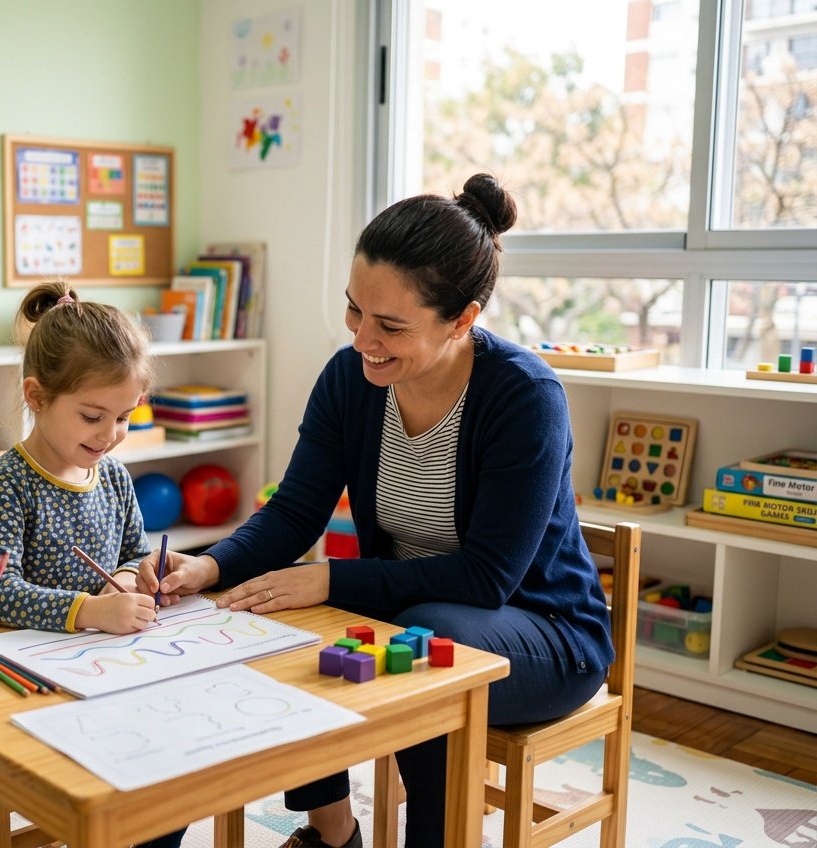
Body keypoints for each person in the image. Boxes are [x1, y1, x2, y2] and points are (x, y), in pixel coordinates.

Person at [139, 174, 614, 848]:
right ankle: (331, 831)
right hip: (410, 612)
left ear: (463, 320)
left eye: (390, 325)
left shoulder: (524, 397)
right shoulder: (350, 379)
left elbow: (488, 579)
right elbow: (293, 512)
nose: (364, 338)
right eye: (354, 310)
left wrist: (330, 580)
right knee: (273, 611)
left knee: (419, 641)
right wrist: (208, 567)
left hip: (547, 633)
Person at [0, 280, 186, 848]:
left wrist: (137, 575)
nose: (111, 435)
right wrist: (90, 610)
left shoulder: (112, 476)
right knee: (122, 777)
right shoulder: (6, 485)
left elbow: (133, 550)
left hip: (107, 666)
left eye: (125, 417)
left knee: (174, 762)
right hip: (28, 682)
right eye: (93, 416)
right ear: (36, 397)